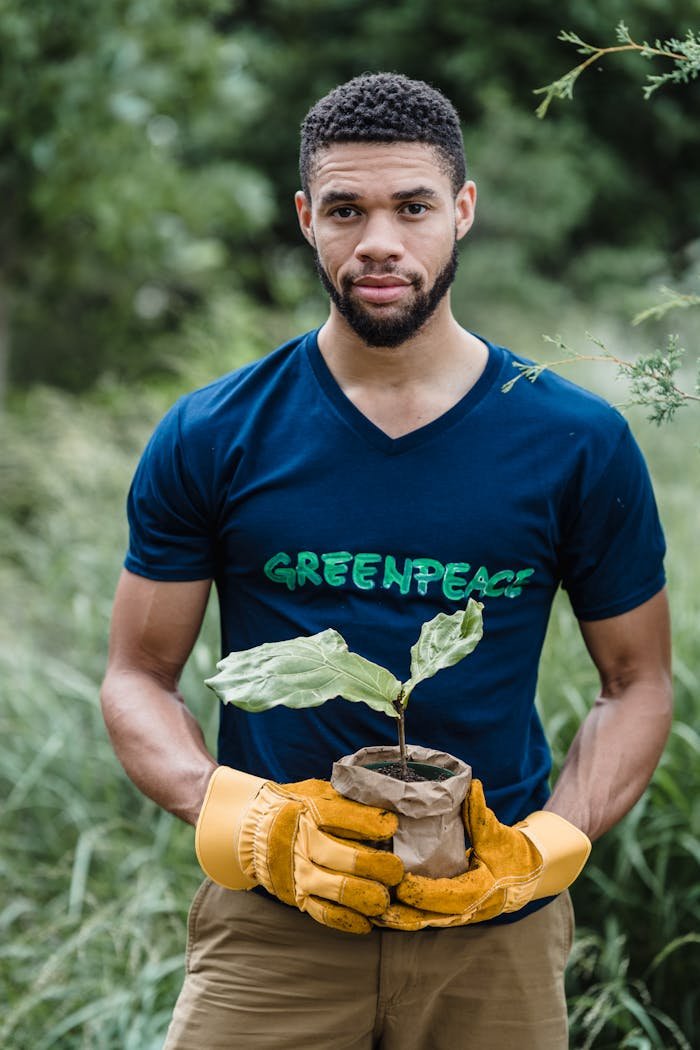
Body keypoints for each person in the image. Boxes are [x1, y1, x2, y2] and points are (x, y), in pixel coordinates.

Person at [100, 73, 672, 1050]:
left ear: (461, 210)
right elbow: (136, 678)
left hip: (493, 931)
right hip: (274, 926)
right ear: (305, 218)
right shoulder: (214, 431)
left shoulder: (576, 440)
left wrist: (547, 847)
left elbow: (639, 681)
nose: (379, 241)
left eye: (411, 207)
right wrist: (243, 820)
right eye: (345, 209)